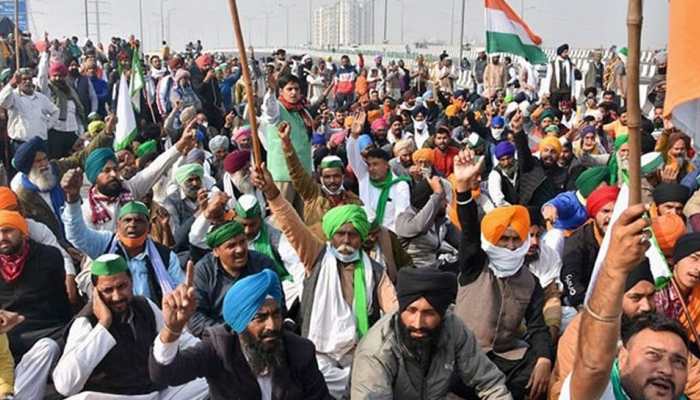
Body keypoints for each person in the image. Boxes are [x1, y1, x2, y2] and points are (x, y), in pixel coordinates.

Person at [252, 163, 397, 398]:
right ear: (331, 235)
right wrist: (272, 193)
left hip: (359, 349)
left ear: (361, 237)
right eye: (341, 234)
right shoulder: (317, 256)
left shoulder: (375, 271)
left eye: (353, 235)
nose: (347, 240)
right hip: (320, 350)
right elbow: (291, 225)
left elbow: (393, 311)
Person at [452, 150, 554, 399]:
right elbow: (469, 233)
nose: (509, 246)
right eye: (503, 239)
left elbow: (538, 327)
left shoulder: (530, 282)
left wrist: (543, 359)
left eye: (515, 239)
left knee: (540, 378)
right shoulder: (475, 264)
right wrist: (463, 190)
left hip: (504, 358)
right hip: (462, 356)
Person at [563, 202, 690, 400]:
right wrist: (615, 269)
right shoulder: (583, 332)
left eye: (678, 362)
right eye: (653, 355)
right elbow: (591, 369)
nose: (666, 370)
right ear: (621, 358)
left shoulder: (663, 327)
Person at [150, 268, 331, 399]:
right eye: (260, 317)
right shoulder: (219, 348)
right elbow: (165, 374)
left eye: (276, 315)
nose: (272, 325)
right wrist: (172, 330)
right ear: (239, 323)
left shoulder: (299, 349)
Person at [52, 254, 208, 399]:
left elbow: (182, 340)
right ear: (95, 292)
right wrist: (103, 325)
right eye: (107, 290)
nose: (117, 296)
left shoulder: (144, 305)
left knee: (210, 376)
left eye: (122, 286)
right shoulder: (85, 322)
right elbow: (65, 386)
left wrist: (215, 352)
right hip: (116, 397)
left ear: (131, 282)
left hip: (156, 393)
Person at [351, 267, 512, 399]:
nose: (418, 323)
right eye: (411, 311)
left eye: (429, 313)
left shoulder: (453, 327)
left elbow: (490, 383)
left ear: (442, 314)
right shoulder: (376, 350)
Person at [62, 167, 183, 304]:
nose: (132, 225)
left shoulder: (165, 256)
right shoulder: (106, 244)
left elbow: (179, 289)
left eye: (138, 221)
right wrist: (72, 199)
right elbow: (76, 234)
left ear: (148, 227)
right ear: (118, 225)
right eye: (127, 220)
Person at [549, 259, 656, 399]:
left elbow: (691, 374)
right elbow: (564, 389)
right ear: (615, 298)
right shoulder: (583, 329)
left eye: (651, 296)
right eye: (636, 297)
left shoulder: (655, 325)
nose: (646, 306)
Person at [0, 210, 71, 399]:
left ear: (23, 232)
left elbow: (61, 302)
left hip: (45, 329)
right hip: (6, 332)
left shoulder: (49, 256)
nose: (2, 238)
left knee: (49, 347)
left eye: (7, 231)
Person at [188, 218, 277, 337]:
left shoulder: (263, 265)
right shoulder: (203, 272)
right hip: (221, 338)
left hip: (261, 334)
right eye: (231, 246)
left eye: (242, 242)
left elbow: (279, 305)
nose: (240, 249)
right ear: (216, 251)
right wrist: (229, 334)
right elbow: (195, 319)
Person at [278, 122, 362, 238]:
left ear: (343, 176)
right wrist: (287, 145)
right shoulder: (313, 194)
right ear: (321, 178)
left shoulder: (353, 200)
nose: (332, 180)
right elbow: (296, 172)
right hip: (318, 251)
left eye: (336, 176)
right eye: (327, 177)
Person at [347, 111, 411, 233]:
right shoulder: (365, 177)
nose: (371, 168)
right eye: (369, 165)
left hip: (389, 236)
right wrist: (354, 136)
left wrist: (383, 237)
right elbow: (353, 156)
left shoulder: (400, 185)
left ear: (387, 165)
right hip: (364, 233)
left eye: (375, 164)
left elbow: (400, 217)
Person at [262, 73, 313, 216]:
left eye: (296, 89)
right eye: (289, 89)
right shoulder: (277, 109)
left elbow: (307, 143)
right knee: (283, 219)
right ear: (281, 91)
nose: (294, 92)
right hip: (283, 175)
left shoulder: (302, 111)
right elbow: (269, 109)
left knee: (303, 219)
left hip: (303, 174)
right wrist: (271, 91)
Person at [561, 185, 620, 309]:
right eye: (605, 211)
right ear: (594, 214)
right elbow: (570, 277)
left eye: (616, 212)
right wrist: (582, 304)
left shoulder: (626, 238)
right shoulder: (578, 241)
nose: (611, 217)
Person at [0, 69, 58, 149]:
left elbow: (55, 111)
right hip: (21, 143)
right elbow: (2, 101)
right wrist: (11, 84)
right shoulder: (13, 97)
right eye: (24, 79)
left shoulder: (41, 98)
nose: (27, 82)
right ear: (18, 81)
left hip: (40, 142)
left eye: (29, 79)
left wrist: (47, 125)